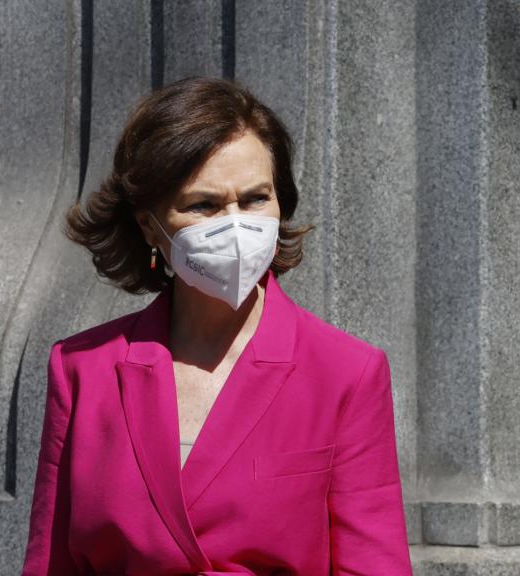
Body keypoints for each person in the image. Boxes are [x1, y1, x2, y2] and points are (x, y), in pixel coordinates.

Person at [21, 76, 412, 575]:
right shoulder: (82, 370)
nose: (234, 224)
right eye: (203, 204)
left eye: (255, 199)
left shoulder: (346, 373)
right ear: (149, 225)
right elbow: (51, 564)